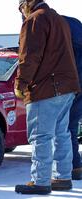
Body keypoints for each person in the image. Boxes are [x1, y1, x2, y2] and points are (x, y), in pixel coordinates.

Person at [14, 0, 81, 195]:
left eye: (20, 7)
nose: (21, 12)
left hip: (46, 88)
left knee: (40, 136)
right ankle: (62, 177)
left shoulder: (35, 20)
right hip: (67, 87)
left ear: (27, 3)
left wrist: (21, 83)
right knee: (62, 134)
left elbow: (29, 56)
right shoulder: (58, 19)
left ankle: (40, 181)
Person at [63, 16, 82, 181]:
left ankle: (69, 168)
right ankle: (76, 166)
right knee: (71, 127)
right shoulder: (75, 24)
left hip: (70, 85)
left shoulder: (49, 24)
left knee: (64, 128)